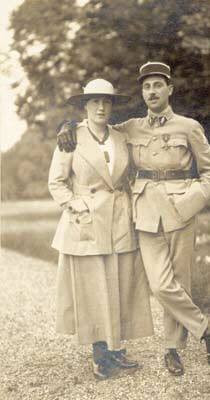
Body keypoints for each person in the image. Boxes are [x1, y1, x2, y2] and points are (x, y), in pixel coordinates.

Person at [57, 62, 210, 376]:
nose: (152, 92)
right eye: (146, 87)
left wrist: (194, 199)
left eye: (158, 85)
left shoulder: (189, 127)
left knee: (180, 281)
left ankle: (173, 349)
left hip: (181, 210)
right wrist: (66, 124)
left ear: (169, 89)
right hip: (144, 213)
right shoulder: (131, 128)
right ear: (142, 93)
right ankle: (205, 327)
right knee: (160, 285)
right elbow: (97, 130)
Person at [48, 78, 154, 380]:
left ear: (112, 106)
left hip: (120, 218)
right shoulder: (70, 138)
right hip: (86, 220)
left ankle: (117, 349)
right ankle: (99, 353)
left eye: (106, 101)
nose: (101, 106)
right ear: (85, 106)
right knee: (93, 286)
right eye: (94, 101)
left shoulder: (121, 136)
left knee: (120, 282)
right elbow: (56, 182)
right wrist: (74, 204)